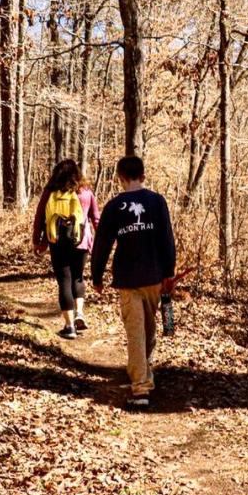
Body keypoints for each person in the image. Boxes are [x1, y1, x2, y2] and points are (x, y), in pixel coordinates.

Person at [91, 156, 176, 410]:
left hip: (129, 279)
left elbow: (102, 245)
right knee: (143, 331)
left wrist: (97, 276)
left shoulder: (115, 205)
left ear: (120, 177)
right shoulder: (157, 201)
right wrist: (168, 272)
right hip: (153, 277)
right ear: (143, 175)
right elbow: (167, 239)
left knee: (141, 331)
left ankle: (142, 374)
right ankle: (141, 385)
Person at [33, 160, 101, 340]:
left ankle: (69, 326)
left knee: (64, 281)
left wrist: (38, 242)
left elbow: (40, 218)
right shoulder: (86, 193)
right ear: (78, 174)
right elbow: (96, 219)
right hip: (81, 242)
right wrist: (99, 244)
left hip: (57, 242)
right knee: (78, 277)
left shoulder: (50, 192)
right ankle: (79, 313)